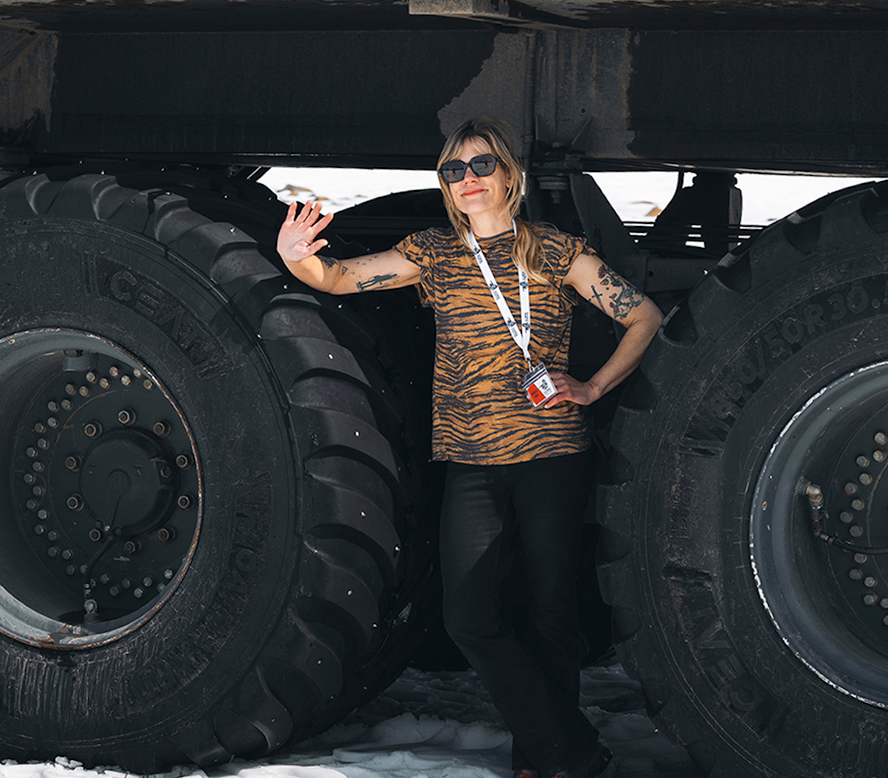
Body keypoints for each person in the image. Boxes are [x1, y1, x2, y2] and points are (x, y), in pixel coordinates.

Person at [275, 118, 662, 778]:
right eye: (453, 172)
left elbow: (643, 315)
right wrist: (294, 254)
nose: (468, 180)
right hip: (473, 465)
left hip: (551, 458)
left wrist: (592, 387)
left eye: (480, 166)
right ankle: (571, 747)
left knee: (549, 615)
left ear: (507, 176)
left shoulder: (553, 250)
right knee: (469, 617)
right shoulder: (433, 253)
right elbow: (338, 279)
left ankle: (547, 761)